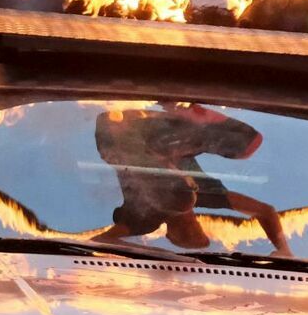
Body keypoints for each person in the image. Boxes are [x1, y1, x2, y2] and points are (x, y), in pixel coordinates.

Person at [92, 101, 291, 255]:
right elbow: (265, 212)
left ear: (169, 234)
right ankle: (181, 107)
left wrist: (156, 254)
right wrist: (284, 250)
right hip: (162, 133)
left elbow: (99, 242)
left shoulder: (145, 221)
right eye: (195, 230)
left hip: (118, 134)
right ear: (198, 223)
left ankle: (180, 118)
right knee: (247, 144)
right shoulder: (208, 195)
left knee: (175, 193)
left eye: (185, 235)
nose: (188, 228)